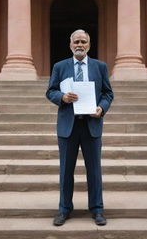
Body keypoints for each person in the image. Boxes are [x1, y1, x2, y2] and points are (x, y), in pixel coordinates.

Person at [46, 29, 114, 226]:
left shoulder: (100, 67)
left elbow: (108, 93)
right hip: (68, 126)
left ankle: (97, 209)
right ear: (70, 45)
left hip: (91, 125)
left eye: (83, 41)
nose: (80, 45)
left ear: (89, 45)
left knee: (94, 170)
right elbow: (50, 91)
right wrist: (62, 97)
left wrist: (102, 107)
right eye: (76, 41)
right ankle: (64, 209)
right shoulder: (60, 67)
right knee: (66, 171)